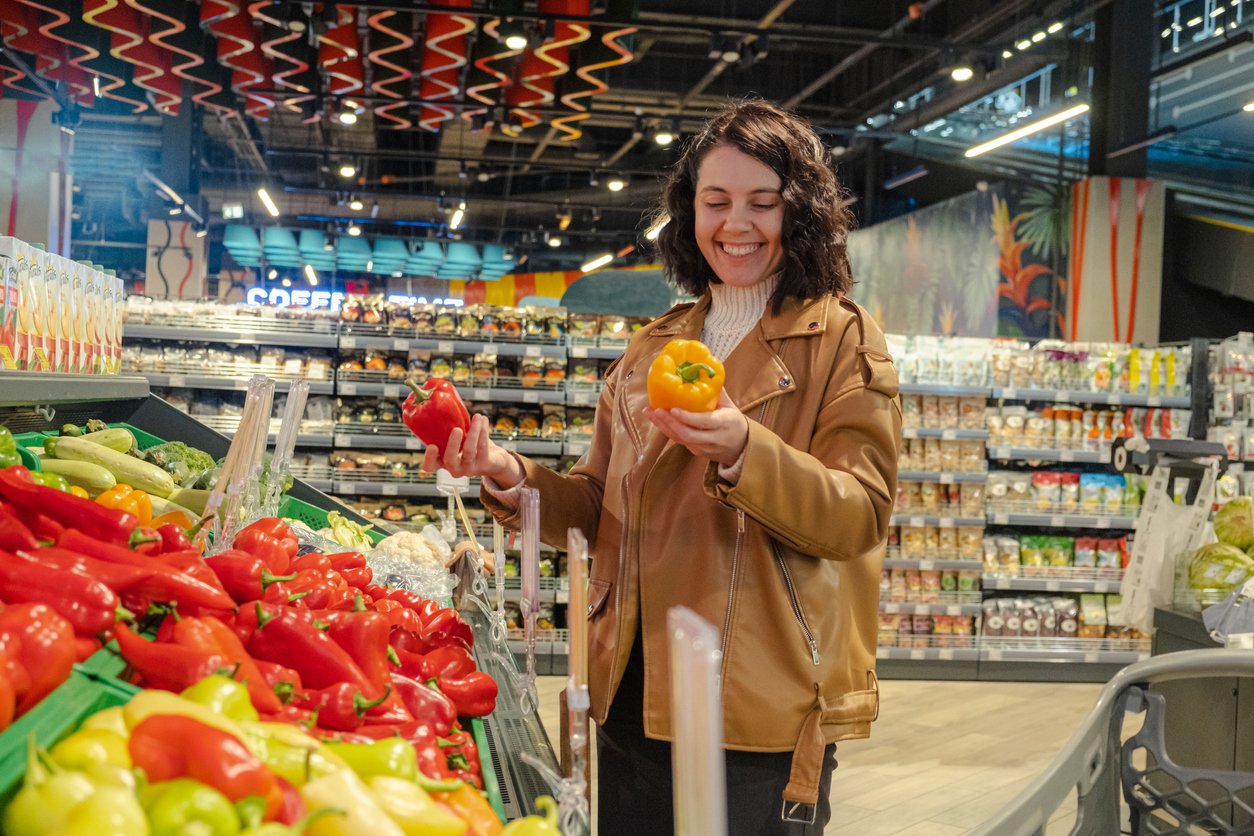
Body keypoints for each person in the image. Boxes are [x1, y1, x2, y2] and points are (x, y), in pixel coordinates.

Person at [423, 99, 902, 834]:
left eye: (761, 203)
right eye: (716, 202)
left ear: (798, 212)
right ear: (689, 213)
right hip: (630, 693)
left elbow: (858, 514)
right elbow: (594, 503)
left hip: (757, 709)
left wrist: (746, 450)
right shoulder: (655, 346)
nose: (735, 225)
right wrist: (508, 472)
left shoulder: (841, 340)